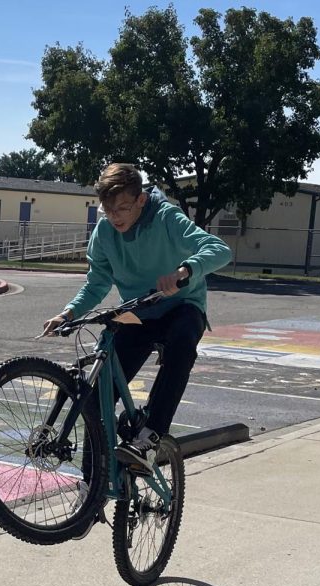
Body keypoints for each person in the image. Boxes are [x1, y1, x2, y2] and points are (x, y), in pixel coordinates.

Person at [42, 163, 232, 473]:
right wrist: (69, 312)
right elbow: (97, 282)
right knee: (100, 393)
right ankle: (92, 483)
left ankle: (150, 435)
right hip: (139, 311)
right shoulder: (104, 232)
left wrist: (185, 271)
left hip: (181, 305)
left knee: (182, 342)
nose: (115, 217)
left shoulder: (166, 218)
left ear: (141, 200)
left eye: (123, 208)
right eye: (108, 210)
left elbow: (219, 249)